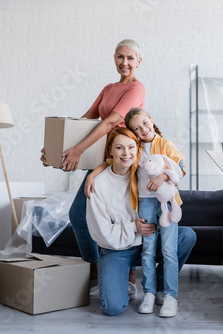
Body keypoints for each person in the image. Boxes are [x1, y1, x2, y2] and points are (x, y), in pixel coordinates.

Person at [40, 39, 145, 295]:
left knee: (121, 214)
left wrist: (77, 150)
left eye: (131, 58)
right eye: (120, 57)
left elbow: (110, 123)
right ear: (114, 58)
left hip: (123, 160)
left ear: (138, 61)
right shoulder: (108, 88)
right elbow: (86, 119)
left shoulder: (136, 88)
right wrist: (56, 148)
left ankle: (128, 272)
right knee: (78, 215)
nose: (125, 62)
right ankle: (96, 268)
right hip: (101, 158)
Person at [85, 107, 185, 317]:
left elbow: (178, 166)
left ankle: (163, 292)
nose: (126, 153)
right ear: (110, 149)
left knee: (184, 238)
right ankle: (133, 285)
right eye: (119, 148)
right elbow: (111, 162)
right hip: (116, 248)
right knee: (112, 308)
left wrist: (165, 177)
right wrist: (92, 174)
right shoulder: (99, 184)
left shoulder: (138, 162)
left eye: (130, 147)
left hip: (142, 239)